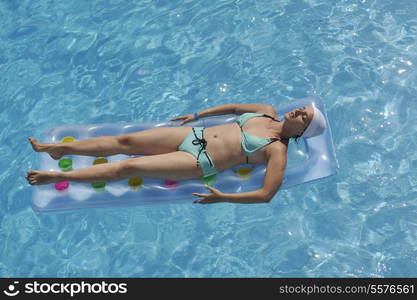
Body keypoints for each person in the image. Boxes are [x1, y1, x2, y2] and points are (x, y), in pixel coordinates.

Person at [25, 103, 326, 204]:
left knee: (129, 168)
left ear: (303, 131)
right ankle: (61, 148)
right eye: (303, 109)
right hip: (192, 135)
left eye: (304, 116)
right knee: (125, 140)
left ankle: (57, 176)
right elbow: (235, 108)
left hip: (197, 161)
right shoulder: (266, 111)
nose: (299, 110)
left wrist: (223, 197)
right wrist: (197, 114)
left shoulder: (276, 152)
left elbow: (266, 194)